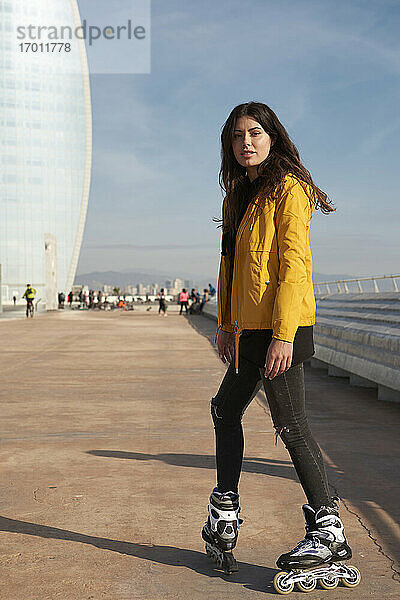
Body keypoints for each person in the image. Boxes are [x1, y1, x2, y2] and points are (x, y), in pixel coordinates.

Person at [202, 102, 358, 590]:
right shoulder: (237, 197)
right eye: (236, 135)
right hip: (247, 329)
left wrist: (284, 336)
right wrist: (227, 324)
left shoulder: (289, 189)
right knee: (225, 409)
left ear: (273, 138)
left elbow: (294, 265)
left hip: (281, 329)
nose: (245, 142)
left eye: (255, 133)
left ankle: (327, 528)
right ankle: (226, 505)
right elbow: (230, 267)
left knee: (291, 426)